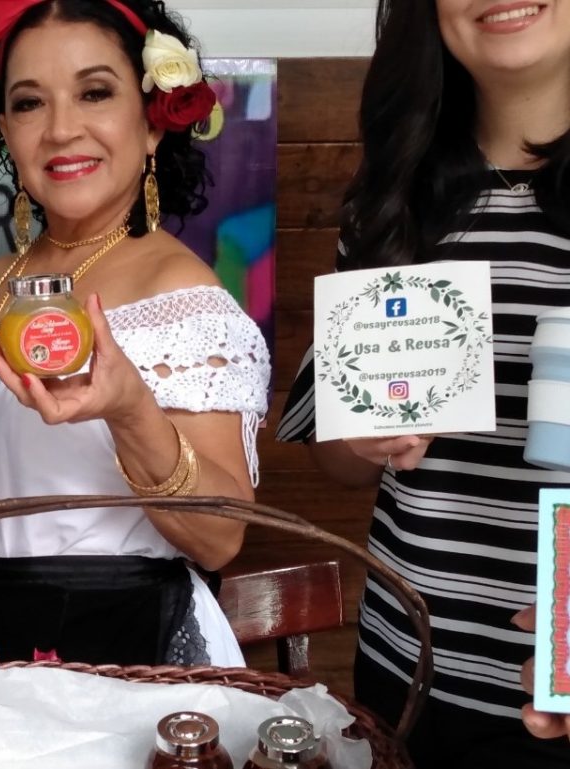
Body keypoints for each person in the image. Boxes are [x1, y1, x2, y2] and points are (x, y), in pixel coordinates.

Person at [0, 0, 270, 672]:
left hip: (126, 652)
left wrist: (130, 408)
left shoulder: (183, 296)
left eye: (95, 92)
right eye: (29, 103)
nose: (61, 129)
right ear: (6, 132)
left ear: (153, 120)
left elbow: (221, 538)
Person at [276, 1, 570, 766]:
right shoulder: (392, 202)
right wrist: (365, 432)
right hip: (408, 671)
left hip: (556, 685)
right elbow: (338, 456)